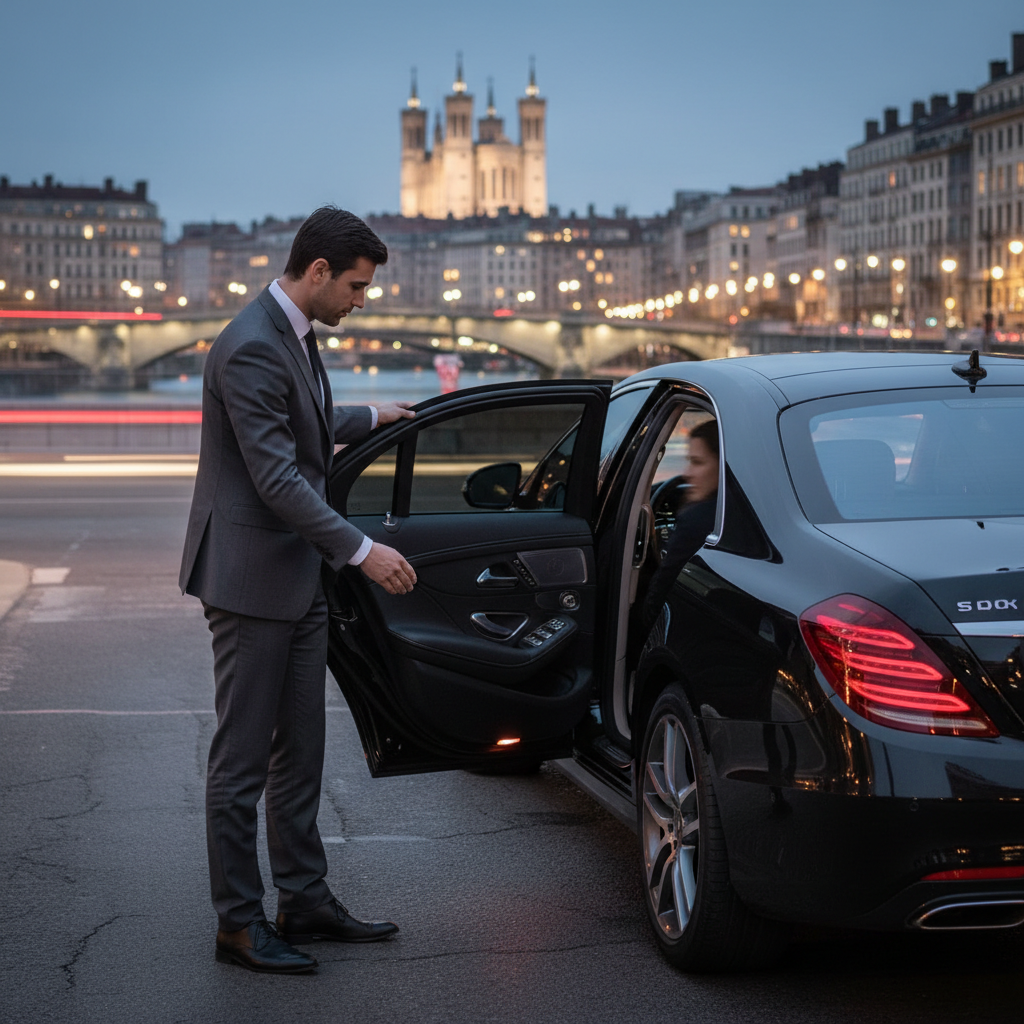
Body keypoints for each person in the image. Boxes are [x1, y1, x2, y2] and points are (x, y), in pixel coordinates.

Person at [178, 206, 418, 975]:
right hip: (252, 581)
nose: (361, 300)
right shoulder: (249, 345)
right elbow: (276, 474)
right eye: (355, 286)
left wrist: (373, 415)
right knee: (242, 762)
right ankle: (240, 925)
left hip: (294, 576)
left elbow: (303, 420)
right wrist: (361, 551)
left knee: (301, 755)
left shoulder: (290, 333)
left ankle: (304, 899)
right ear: (316, 272)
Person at [641, 419, 719, 627]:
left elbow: (662, 587)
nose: (687, 473)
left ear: (724, 466)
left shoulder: (696, 519)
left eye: (698, 462)